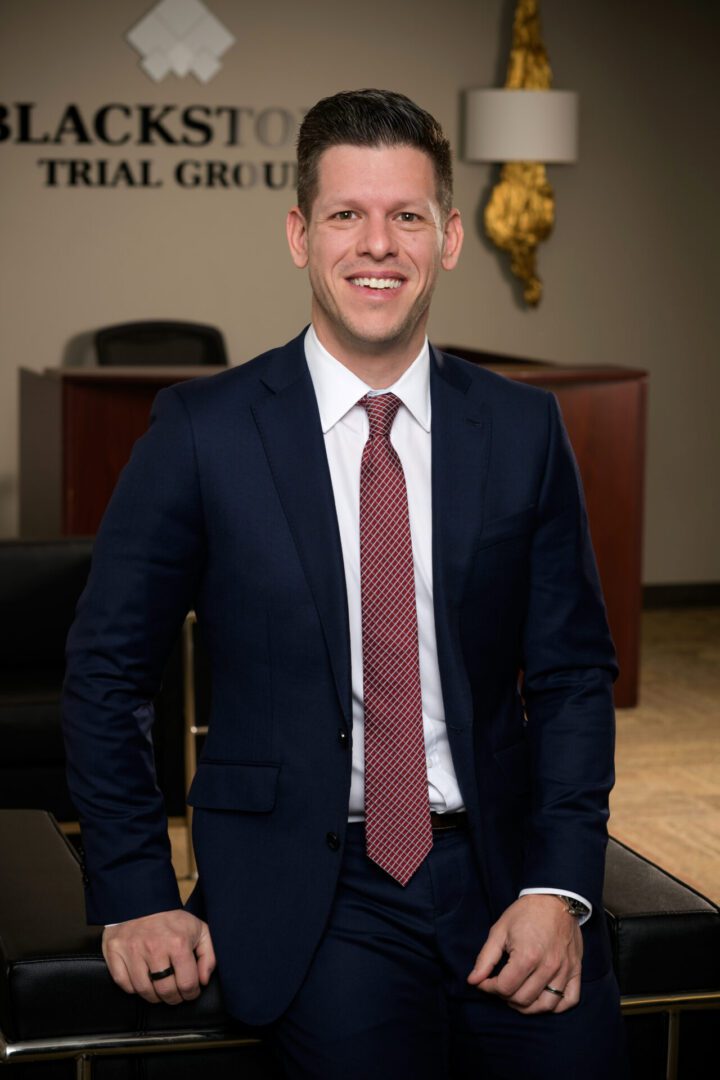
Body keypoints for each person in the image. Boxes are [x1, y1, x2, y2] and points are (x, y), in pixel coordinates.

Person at [63, 88, 628, 1078]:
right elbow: (106, 673)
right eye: (346, 215)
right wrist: (134, 886)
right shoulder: (202, 433)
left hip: (499, 869)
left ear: (449, 237)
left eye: (407, 215)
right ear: (299, 233)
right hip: (312, 888)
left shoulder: (523, 431)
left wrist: (560, 889)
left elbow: (576, 675)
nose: (379, 244)